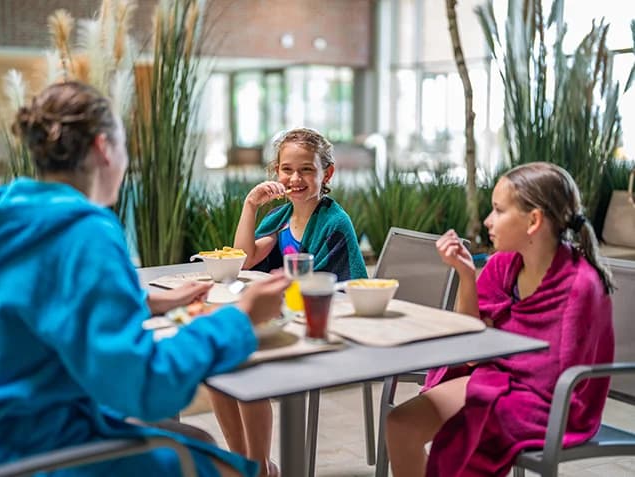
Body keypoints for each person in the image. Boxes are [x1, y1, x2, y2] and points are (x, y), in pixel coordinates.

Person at [0, 81, 291, 477]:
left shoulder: (6, 219)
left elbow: (34, 303)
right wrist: (242, 317)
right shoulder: (84, 229)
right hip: (18, 453)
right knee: (235, 469)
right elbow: (145, 389)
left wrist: (144, 302)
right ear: (103, 148)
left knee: (196, 439)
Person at [385, 162, 615, 477]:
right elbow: (471, 347)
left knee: (465, 441)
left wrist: (494, 351)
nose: (487, 220)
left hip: (553, 403)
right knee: (401, 424)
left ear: (533, 221)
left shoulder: (580, 286)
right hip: (496, 380)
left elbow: (559, 377)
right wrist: (466, 276)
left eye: (498, 210)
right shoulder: (502, 264)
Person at [209, 127, 368, 476]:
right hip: (289, 319)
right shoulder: (281, 219)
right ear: (276, 172)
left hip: (327, 327)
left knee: (246, 368)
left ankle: (260, 468)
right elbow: (244, 259)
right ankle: (246, 465)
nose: (295, 179)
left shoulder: (334, 223)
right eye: (287, 169)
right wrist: (251, 204)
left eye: (306, 170)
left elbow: (329, 289)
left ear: (327, 173)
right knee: (218, 365)